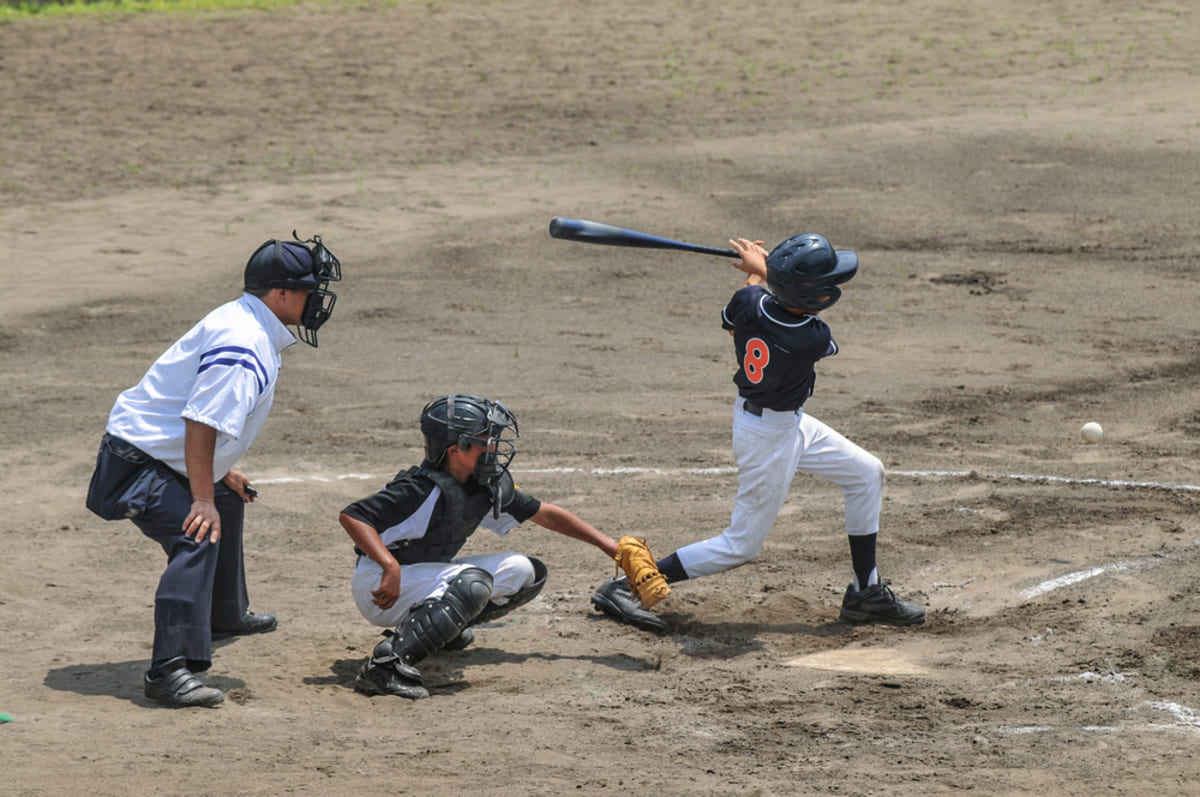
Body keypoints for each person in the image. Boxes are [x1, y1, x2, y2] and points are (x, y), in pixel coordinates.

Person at [591, 233, 926, 632]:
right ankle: (626, 585)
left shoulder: (749, 302)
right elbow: (785, 308)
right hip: (769, 438)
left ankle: (865, 592)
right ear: (815, 296)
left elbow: (742, 315)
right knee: (741, 546)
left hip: (782, 423)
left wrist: (760, 274)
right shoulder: (811, 338)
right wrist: (764, 270)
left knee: (866, 473)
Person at [85, 233, 343, 708]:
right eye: (311, 289)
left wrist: (220, 476)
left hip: (156, 452)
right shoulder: (244, 342)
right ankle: (169, 671)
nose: (318, 300)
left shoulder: (249, 321)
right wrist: (201, 497)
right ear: (281, 294)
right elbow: (200, 420)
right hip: (135, 464)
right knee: (197, 529)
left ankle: (224, 614)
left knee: (227, 497)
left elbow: (198, 414)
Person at [341, 393, 630, 700]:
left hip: (420, 577)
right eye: (485, 439)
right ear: (455, 450)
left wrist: (610, 546)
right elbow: (354, 516)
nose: (494, 445)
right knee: (473, 584)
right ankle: (385, 668)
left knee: (524, 571)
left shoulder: (483, 485)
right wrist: (389, 565)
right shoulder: (418, 489)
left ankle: (437, 631)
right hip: (380, 587)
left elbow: (544, 513)